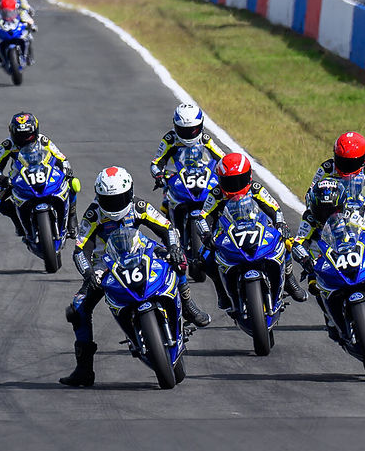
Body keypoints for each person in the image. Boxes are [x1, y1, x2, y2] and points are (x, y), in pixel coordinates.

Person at [59, 166, 210, 387]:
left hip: (143, 250)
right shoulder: (93, 214)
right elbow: (80, 249)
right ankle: (84, 370)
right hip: (107, 263)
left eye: (119, 198)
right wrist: (89, 272)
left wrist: (175, 247)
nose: (114, 205)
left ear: (129, 193)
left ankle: (187, 303)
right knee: (78, 307)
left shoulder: (139, 206)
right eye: (108, 200)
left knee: (177, 259)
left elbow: (166, 228)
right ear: (99, 197)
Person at [195, 153, 308, 307]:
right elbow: (202, 217)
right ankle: (221, 291)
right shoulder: (216, 194)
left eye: (238, 180)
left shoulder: (256, 188)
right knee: (205, 257)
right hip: (226, 233)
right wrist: (206, 234)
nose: (234, 186)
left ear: (248, 176)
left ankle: (289, 279)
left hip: (257, 228)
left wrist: (281, 224)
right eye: (229, 182)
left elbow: (274, 208)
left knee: (285, 240)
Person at [290, 179, 365, 320]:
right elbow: (298, 242)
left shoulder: (349, 212)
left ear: (342, 206)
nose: (327, 216)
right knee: (315, 286)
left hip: (349, 251)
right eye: (322, 211)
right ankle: (330, 318)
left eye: (333, 210)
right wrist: (305, 259)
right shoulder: (309, 218)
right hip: (321, 259)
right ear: (313, 207)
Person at [0, 112, 77, 238]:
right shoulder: (7, 145)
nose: (24, 140)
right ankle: (17, 222)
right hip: (18, 180)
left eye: (27, 135)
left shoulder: (43, 140)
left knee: (72, 183)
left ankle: (72, 217)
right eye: (20, 136)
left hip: (45, 173)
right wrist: (2, 179)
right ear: (12, 133)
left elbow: (61, 157)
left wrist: (66, 170)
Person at [309, 132, 365, 236]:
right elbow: (311, 192)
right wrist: (315, 212)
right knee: (312, 226)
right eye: (342, 161)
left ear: (363, 158)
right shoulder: (327, 168)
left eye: (352, 163)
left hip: (359, 210)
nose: (347, 167)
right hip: (332, 211)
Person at [150, 103, 225, 213]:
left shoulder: (204, 139)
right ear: (175, 125)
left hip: (203, 176)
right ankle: (171, 224)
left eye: (192, 130)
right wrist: (159, 175)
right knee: (167, 201)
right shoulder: (170, 139)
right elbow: (157, 162)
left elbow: (223, 158)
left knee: (222, 200)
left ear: (201, 125)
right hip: (179, 177)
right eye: (183, 130)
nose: (188, 134)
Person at [0, 0, 37, 65]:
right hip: (4, 31)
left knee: (28, 37)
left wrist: (32, 25)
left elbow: (29, 19)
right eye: (5, 10)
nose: (8, 13)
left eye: (10, 10)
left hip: (17, 30)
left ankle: (28, 56)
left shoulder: (20, 12)